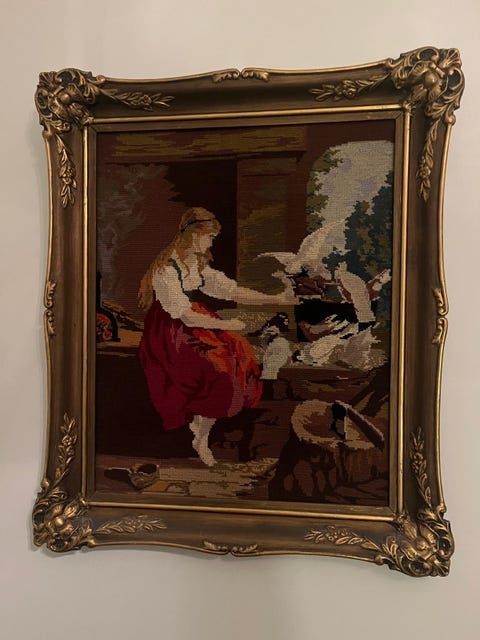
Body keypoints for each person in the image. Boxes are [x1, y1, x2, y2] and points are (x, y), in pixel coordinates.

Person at [138, 207, 291, 466]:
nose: (211, 242)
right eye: (209, 237)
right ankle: (201, 434)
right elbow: (184, 316)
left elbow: (231, 291)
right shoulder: (166, 270)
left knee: (240, 350)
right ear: (194, 234)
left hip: (195, 319)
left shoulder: (197, 263)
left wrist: (276, 299)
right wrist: (226, 323)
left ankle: (201, 430)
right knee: (218, 365)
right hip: (169, 329)